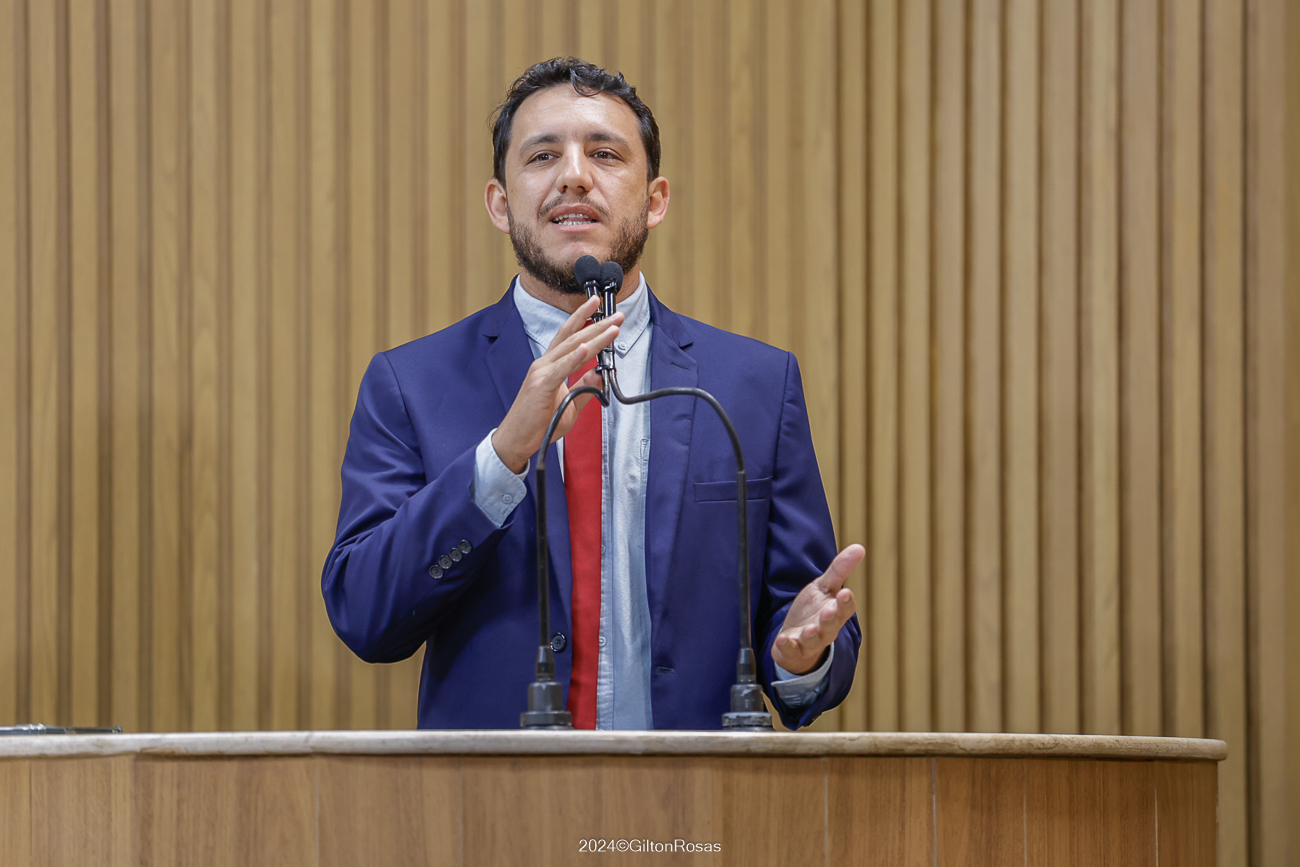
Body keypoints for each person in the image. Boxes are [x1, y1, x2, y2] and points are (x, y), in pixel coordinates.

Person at [322, 57, 862, 730]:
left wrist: (803, 657)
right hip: (494, 792)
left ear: (655, 200)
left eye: (604, 154)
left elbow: (805, 616)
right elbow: (365, 615)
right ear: (500, 203)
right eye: (542, 155)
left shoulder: (753, 385)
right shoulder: (411, 383)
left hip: (697, 789)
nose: (574, 174)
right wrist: (501, 457)